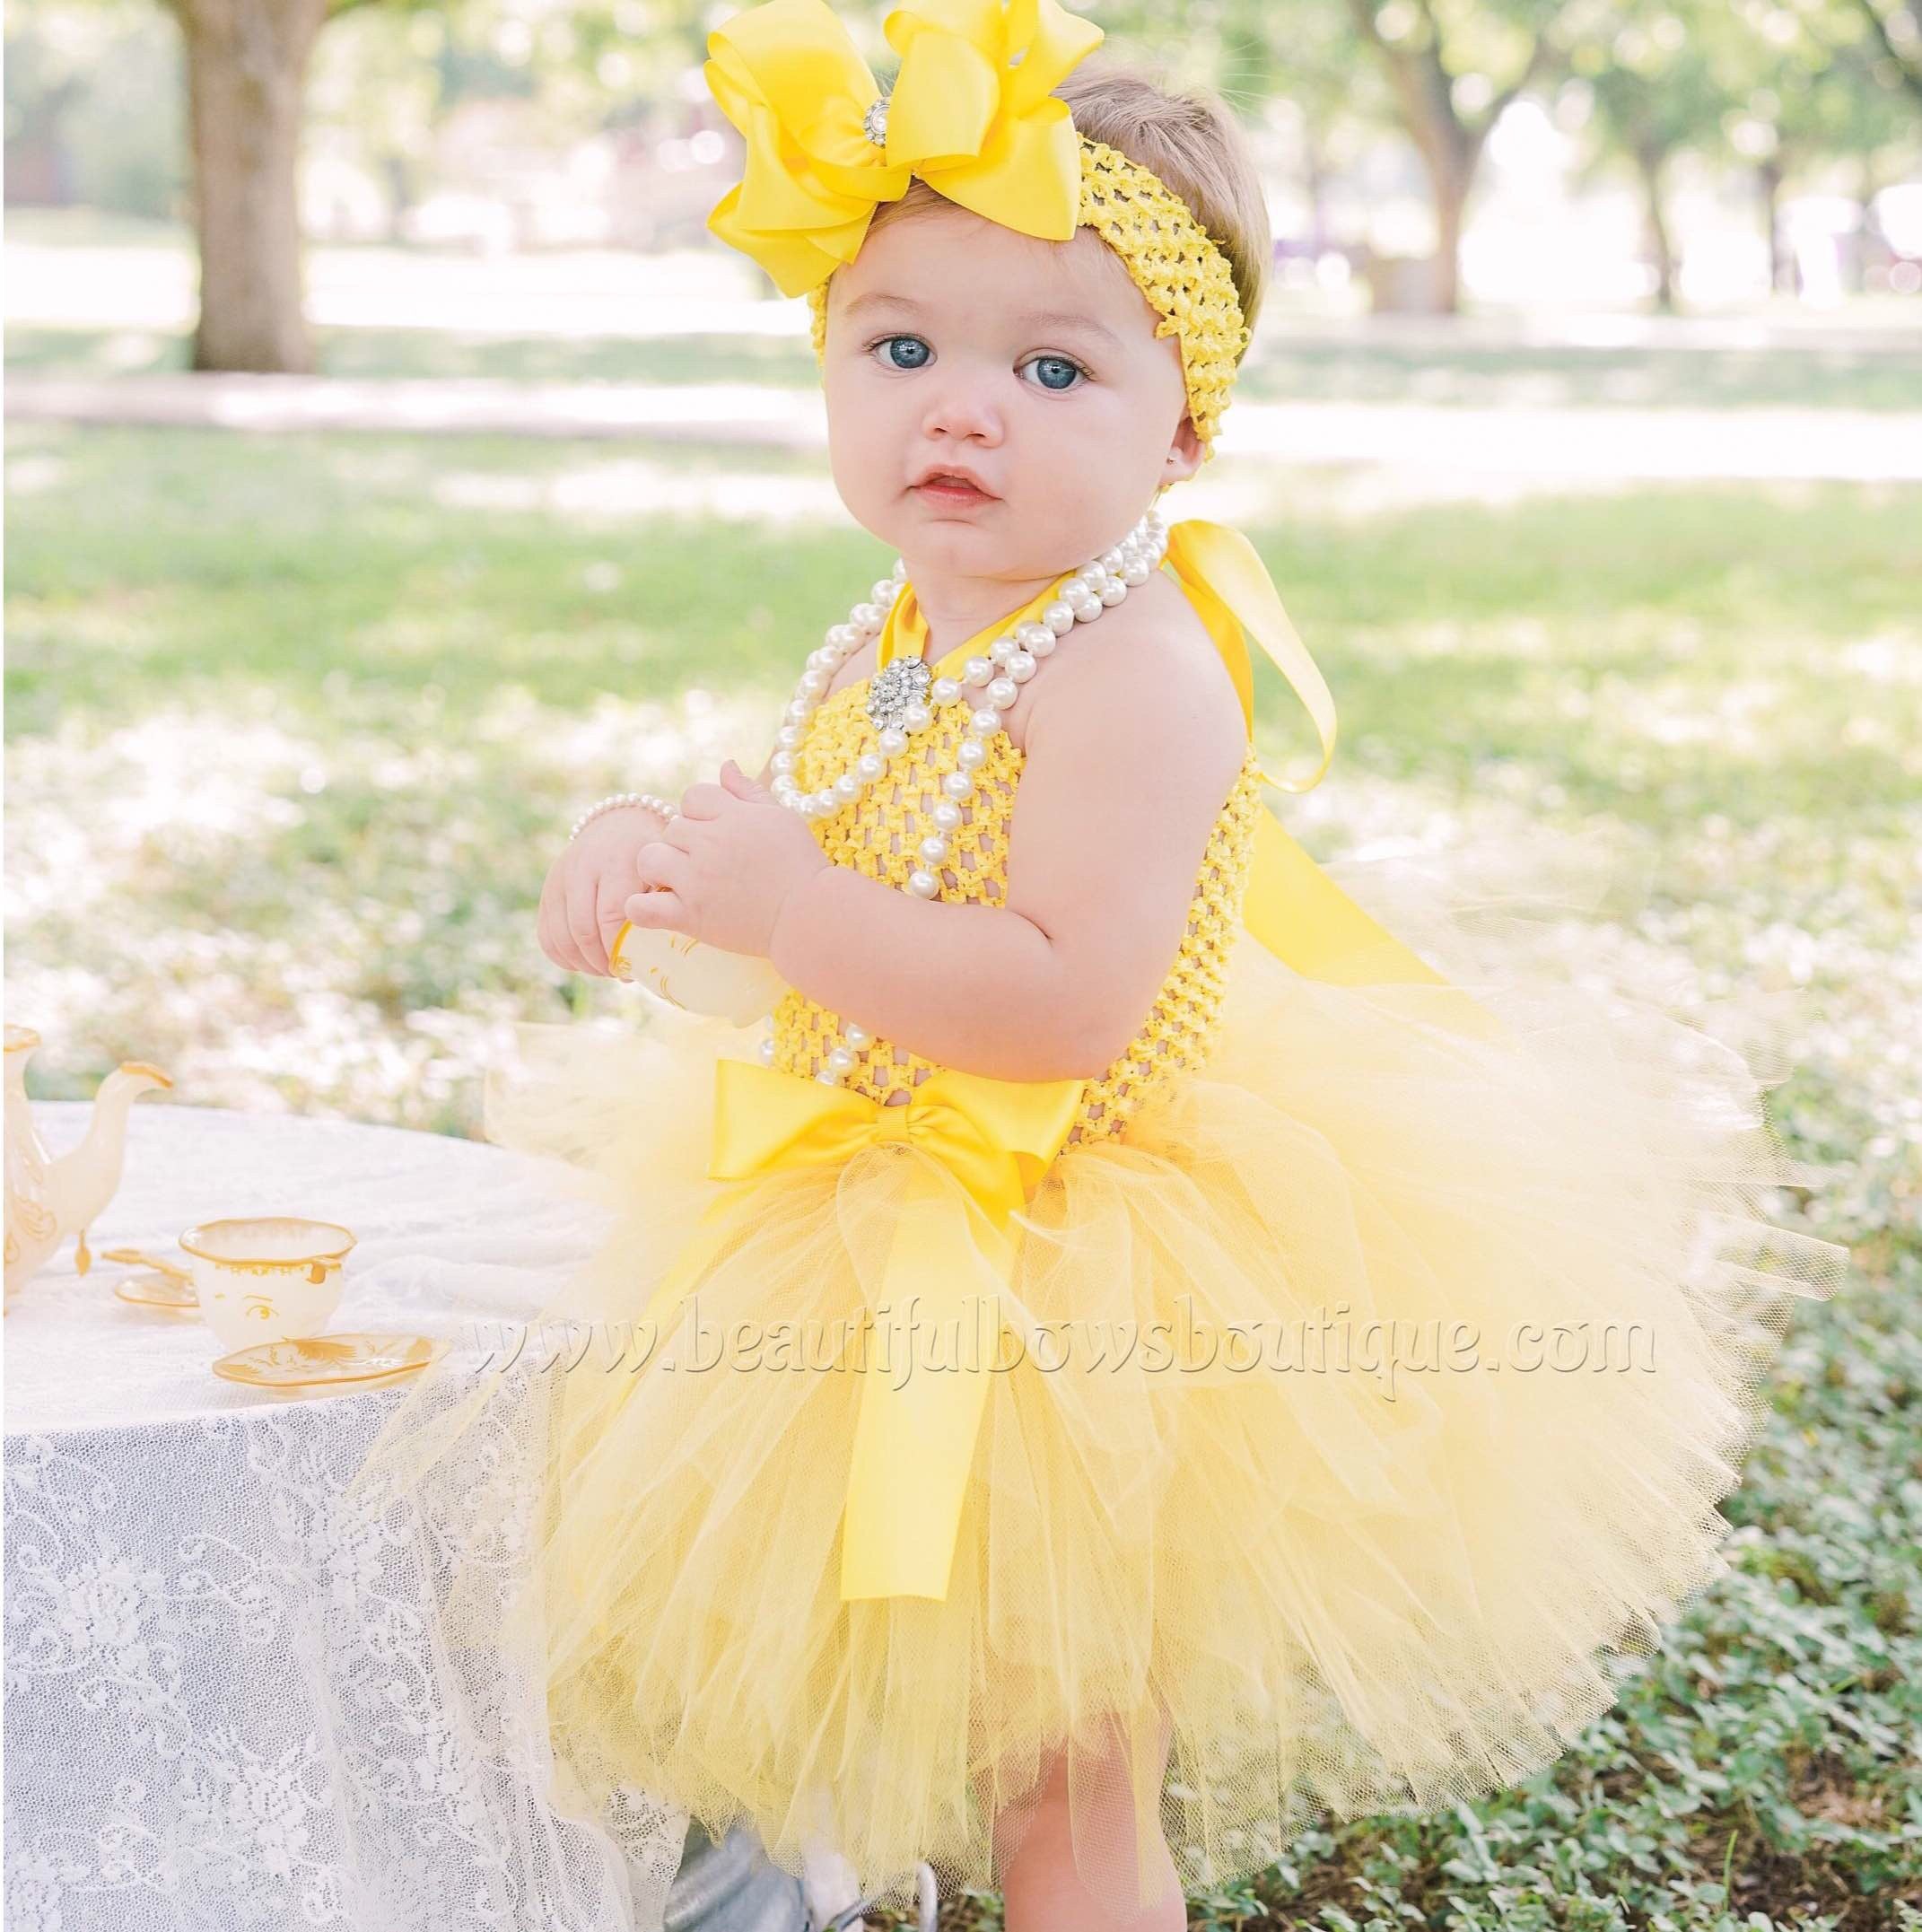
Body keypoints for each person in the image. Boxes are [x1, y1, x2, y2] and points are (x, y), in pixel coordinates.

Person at [350, 4, 1850, 1928]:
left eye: (1052, 366)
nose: (958, 408)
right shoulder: (908, 624)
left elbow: (1065, 1000)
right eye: (901, 350)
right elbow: (838, 893)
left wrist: (794, 902)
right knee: (855, 1692)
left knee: (1064, 1757)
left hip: (1078, 1268)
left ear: (1182, 432)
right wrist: (669, 873)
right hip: (867, 1204)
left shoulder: (1138, 674)